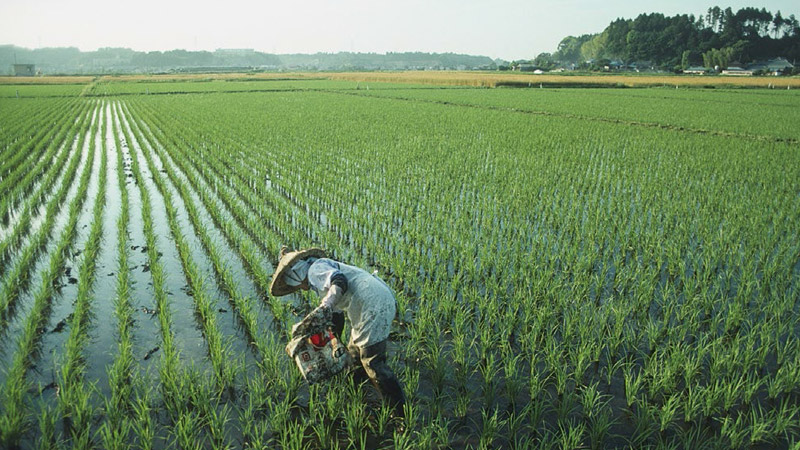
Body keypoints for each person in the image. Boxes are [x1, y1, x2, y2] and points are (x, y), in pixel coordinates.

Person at [270, 247, 406, 416]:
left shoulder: (315, 270)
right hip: (367, 305)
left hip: (373, 305)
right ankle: (359, 394)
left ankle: (399, 413)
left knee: (372, 362)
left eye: (297, 284)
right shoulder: (319, 276)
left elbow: (339, 281)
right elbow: (337, 317)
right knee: (354, 356)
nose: (301, 288)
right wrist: (334, 342)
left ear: (296, 276)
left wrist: (326, 304)